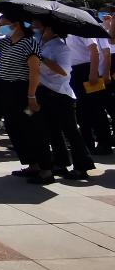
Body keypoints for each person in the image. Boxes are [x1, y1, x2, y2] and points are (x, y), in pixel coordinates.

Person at [0, 17, 53, 184]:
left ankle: (46, 169)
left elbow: (34, 71)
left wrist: (31, 96)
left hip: (23, 90)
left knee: (32, 128)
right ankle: (32, 164)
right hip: (6, 89)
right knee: (15, 128)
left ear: (16, 23)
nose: (2, 27)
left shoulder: (29, 42)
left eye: (4, 23)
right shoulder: (5, 41)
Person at [34, 19, 94, 180]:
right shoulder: (42, 45)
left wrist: (42, 59)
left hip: (60, 94)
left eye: (38, 27)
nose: (35, 29)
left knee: (71, 132)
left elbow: (64, 71)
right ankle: (60, 162)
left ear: (49, 29)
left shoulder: (61, 48)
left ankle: (82, 166)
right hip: (45, 92)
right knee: (53, 131)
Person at [66, 33, 110, 155]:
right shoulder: (66, 33)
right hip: (74, 71)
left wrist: (93, 72)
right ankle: (87, 143)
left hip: (86, 69)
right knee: (81, 110)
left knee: (96, 108)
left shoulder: (82, 31)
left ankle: (104, 143)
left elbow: (94, 51)